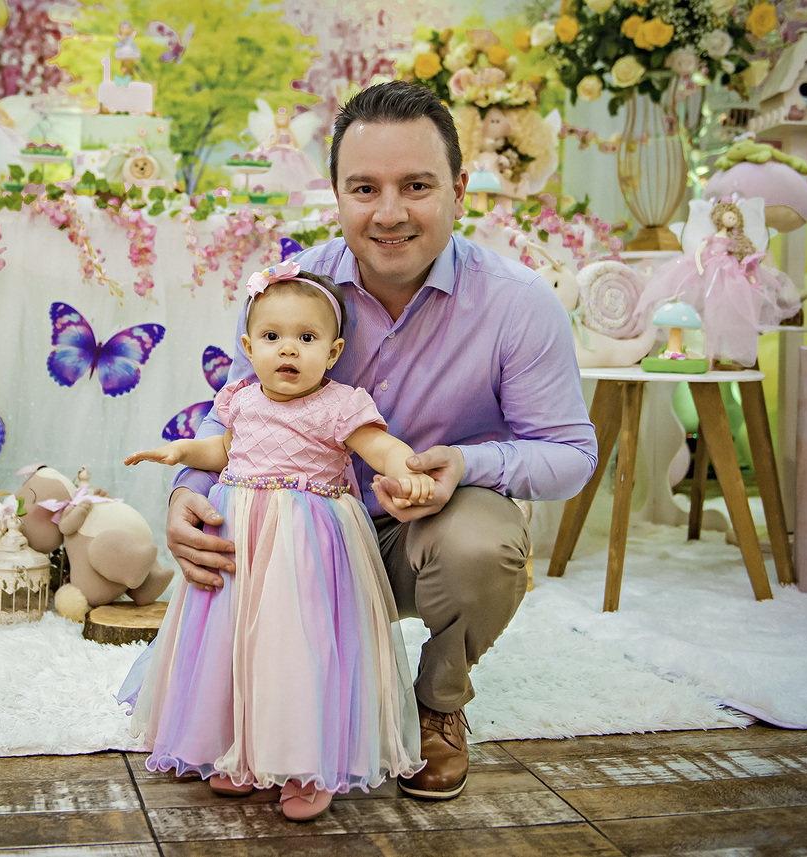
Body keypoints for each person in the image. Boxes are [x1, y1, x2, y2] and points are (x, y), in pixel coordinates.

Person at [164, 80, 598, 801]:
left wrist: (467, 463)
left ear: (459, 190)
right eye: (365, 188)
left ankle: (437, 703)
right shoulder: (291, 292)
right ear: (336, 195)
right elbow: (233, 411)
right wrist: (187, 491)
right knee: (235, 523)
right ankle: (255, 716)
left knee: (484, 544)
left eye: (417, 186)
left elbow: (571, 456)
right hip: (294, 538)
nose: (389, 213)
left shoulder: (519, 304)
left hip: (415, 538)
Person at [120, 263, 431, 821]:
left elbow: (380, 448)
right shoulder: (241, 398)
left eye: (306, 338)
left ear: (333, 353)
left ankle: (306, 761)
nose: (288, 350)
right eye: (271, 337)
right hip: (239, 536)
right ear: (249, 347)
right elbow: (223, 451)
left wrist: (408, 469)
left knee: (298, 645)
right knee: (232, 642)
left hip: (307, 542)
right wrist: (181, 452)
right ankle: (237, 748)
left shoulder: (340, 404)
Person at [637, 198, 800, 367]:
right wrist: (699, 266)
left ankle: (717, 355)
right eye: (729, 216)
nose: (731, 219)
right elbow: (699, 251)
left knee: (725, 308)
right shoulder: (712, 238)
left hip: (728, 270)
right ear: (720, 217)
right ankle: (706, 354)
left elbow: (741, 255)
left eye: (734, 217)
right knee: (706, 308)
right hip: (710, 266)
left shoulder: (733, 240)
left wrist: (747, 272)